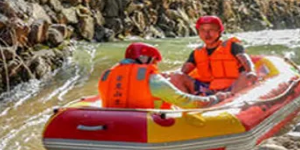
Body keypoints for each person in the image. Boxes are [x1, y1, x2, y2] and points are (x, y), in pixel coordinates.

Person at [98, 42, 230, 110]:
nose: (155, 64)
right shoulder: (153, 80)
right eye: (154, 61)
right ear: (145, 59)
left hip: (111, 122)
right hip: (147, 125)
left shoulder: (107, 74)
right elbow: (186, 101)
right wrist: (215, 99)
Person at [170, 16, 257, 95]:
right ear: (199, 33)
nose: (207, 34)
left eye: (211, 30)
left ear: (219, 31)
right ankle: (190, 104)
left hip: (232, 87)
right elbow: (183, 72)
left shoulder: (233, 46)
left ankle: (233, 101)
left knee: (245, 74)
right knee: (177, 76)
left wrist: (251, 71)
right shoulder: (197, 52)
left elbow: (246, 60)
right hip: (207, 90)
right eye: (203, 30)